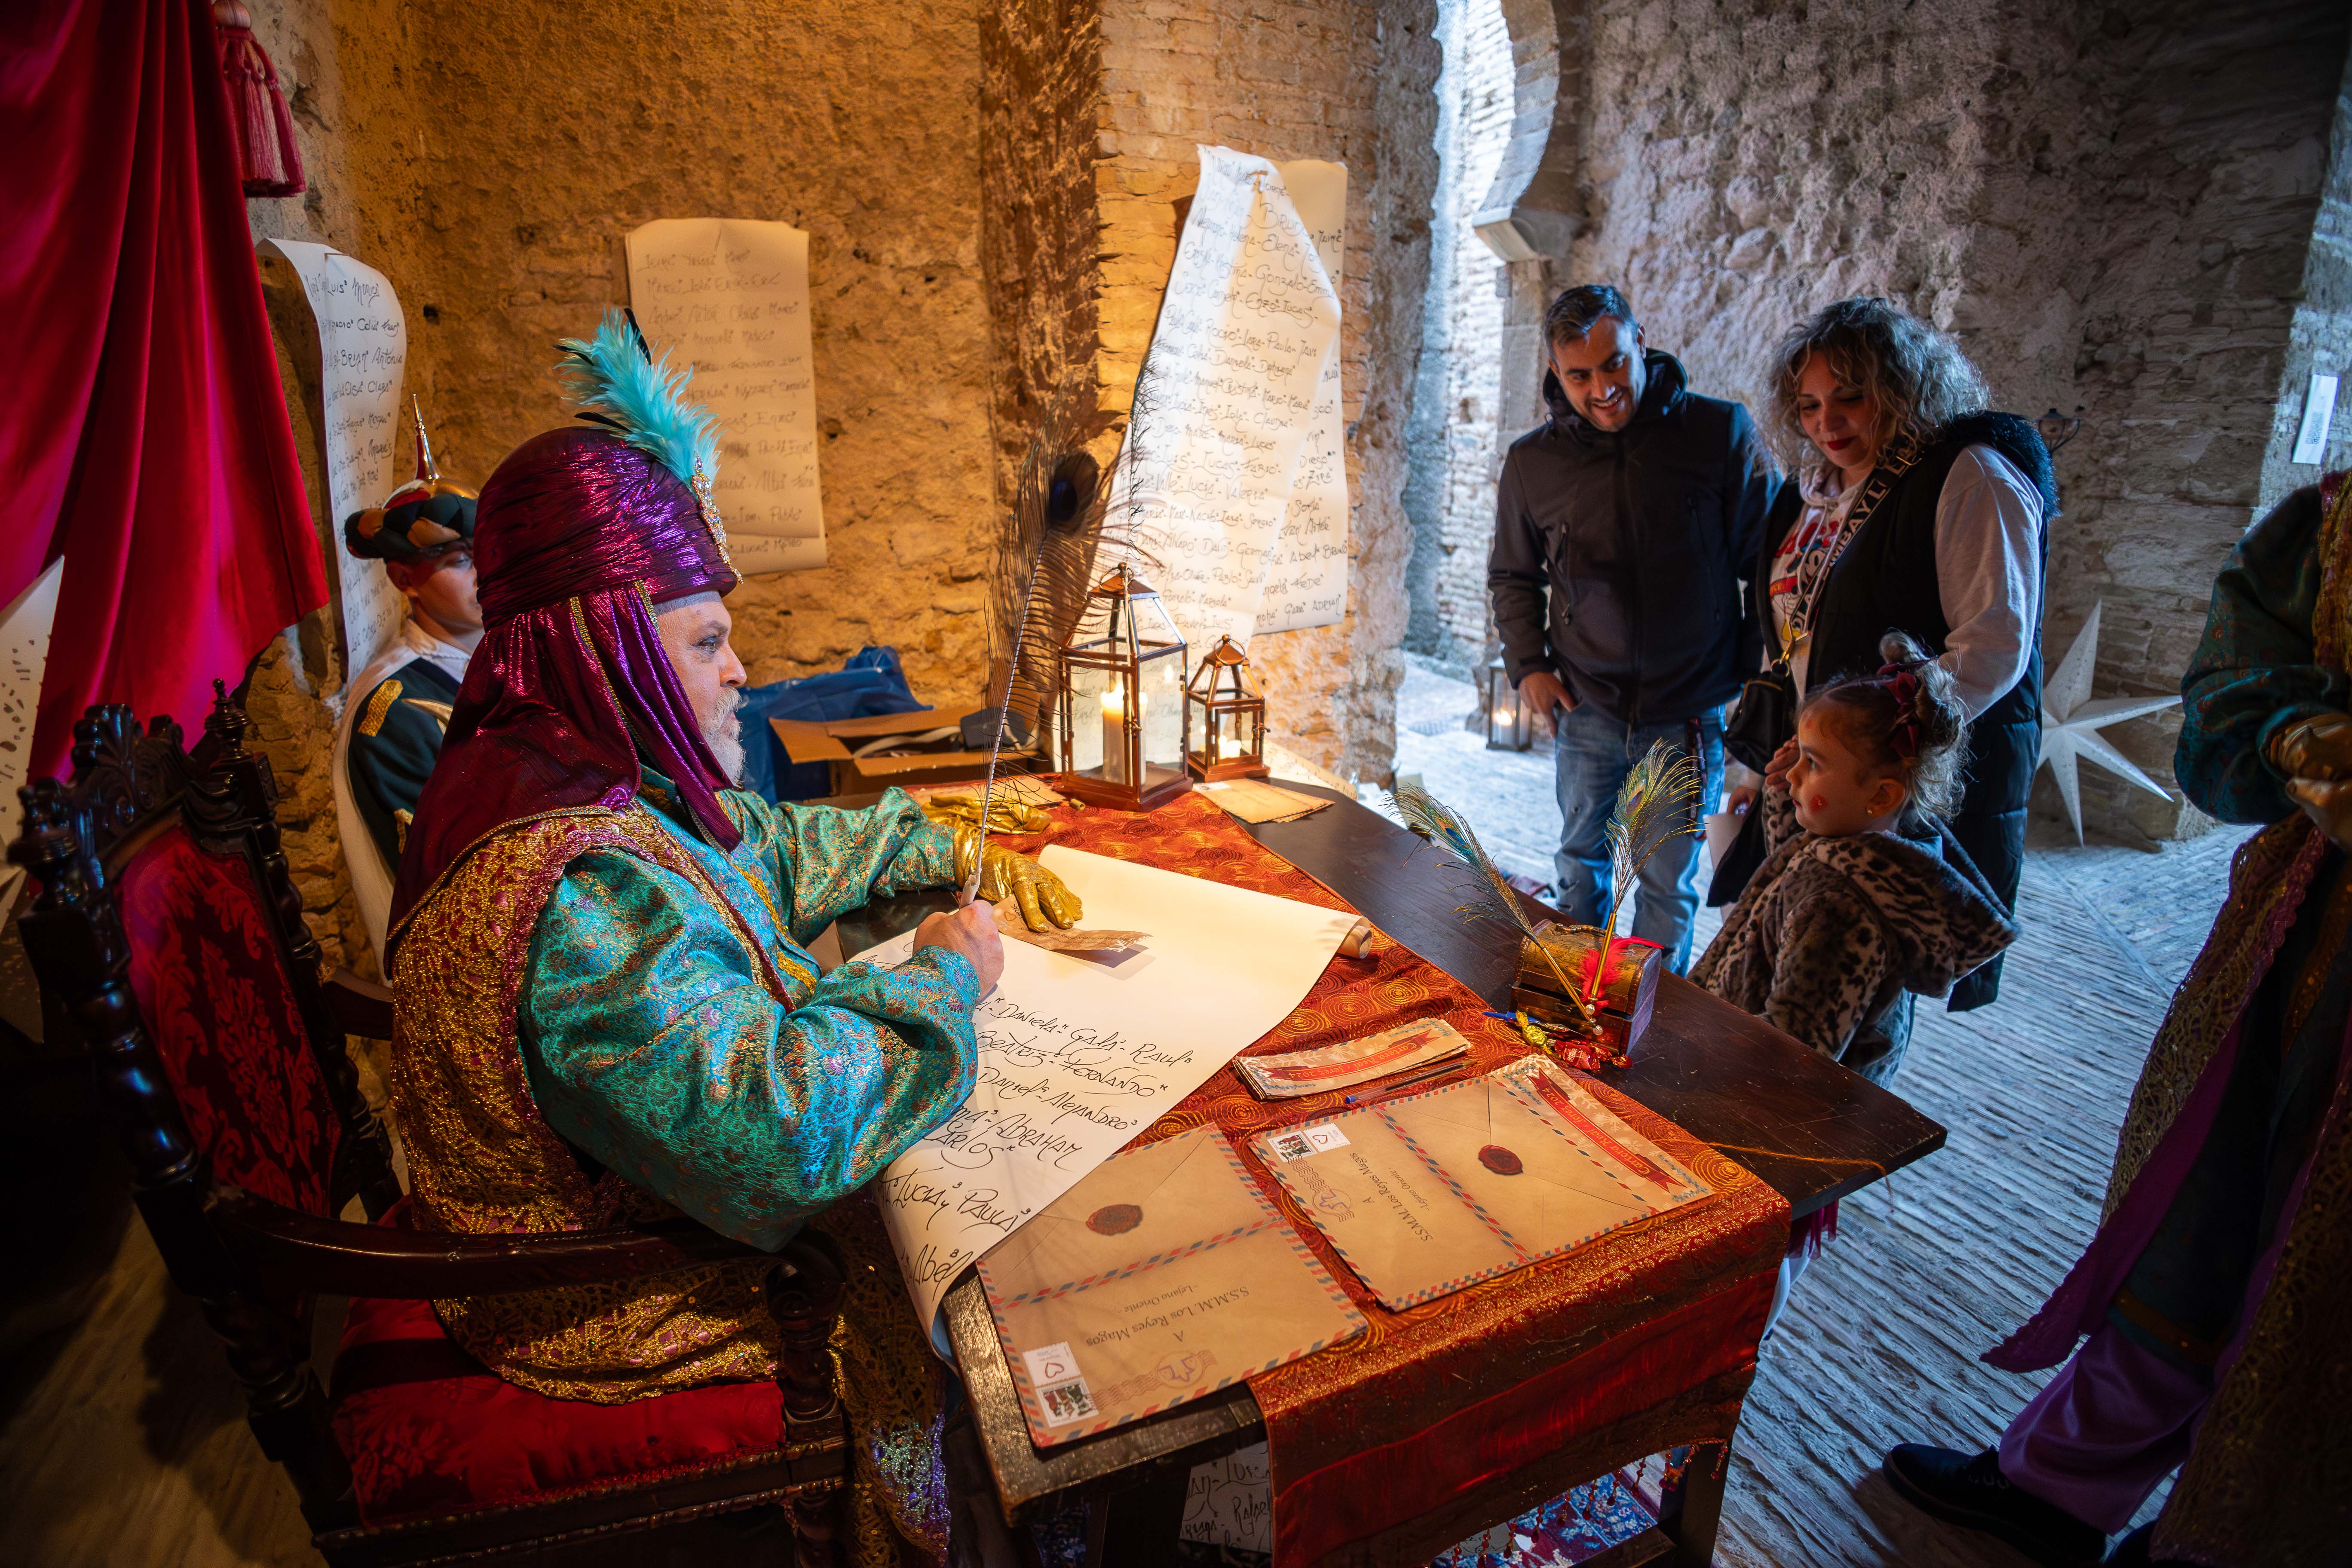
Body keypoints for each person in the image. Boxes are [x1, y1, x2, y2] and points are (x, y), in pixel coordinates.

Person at [383, 311, 1079, 1567]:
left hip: (622, 1196)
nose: (742, 670)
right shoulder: (576, 894)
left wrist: (938, 842)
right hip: (596, 1281)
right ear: (606, 653)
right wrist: (941, 980)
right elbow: (778, 1138)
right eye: (707, 644)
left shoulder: (568, 765)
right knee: (958, 1280)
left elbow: (762, 846)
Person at [1884, 473, 2352, 1568]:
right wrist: (2307, 742)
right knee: (2200, 1203)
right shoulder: (2331, 526)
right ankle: (2062, 1480)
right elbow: (2227, 718)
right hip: (2308, 928)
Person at [1724, 297, 2053, 1011]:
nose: (1827, 423)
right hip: (1814, 768)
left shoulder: (1971, 476)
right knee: (1791, 954)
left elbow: (1993, 647)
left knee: (1862, 972)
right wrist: (1764, 760)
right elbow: (1789, 633)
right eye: (1809, 406)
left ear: (1903, 390)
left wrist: (1872, 741)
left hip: (1889, 778)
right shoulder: (1808, 492)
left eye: (1850, 397)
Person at [1694, 632, 2016, 1335]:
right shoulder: (1849, 847)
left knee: (1762, 1255)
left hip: (1775, 1129)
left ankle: (1737, 1349)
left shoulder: (1843, 902)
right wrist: (1786, 789)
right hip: (1770, 1116)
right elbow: (1795, 856)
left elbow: (1795, 1051)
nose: (1794, 773)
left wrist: (1705, 1066)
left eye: (1812, 763)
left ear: (1881, 795)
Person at [1488, 285, 1776, 969]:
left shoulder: (1719, 433)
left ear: (1640, 341)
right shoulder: (1533, 462)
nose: (1602, 389)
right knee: (1578, 867)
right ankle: (1574, 993)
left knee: (1666, 884)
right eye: (1579, 375)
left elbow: (1767, 569)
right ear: (1555, 372)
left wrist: (1748, 679)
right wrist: (1529, 665)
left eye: (1614, 363)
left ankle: (1650, 1011)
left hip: (1688, 709)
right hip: (1586, 705)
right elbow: (1513, 576)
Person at [329, 401, 481, 966]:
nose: (486, 574)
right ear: (404, 580)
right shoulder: (395, 712)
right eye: (461, 560)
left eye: (489, 554)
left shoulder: (494, 658)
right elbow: (455, 891)